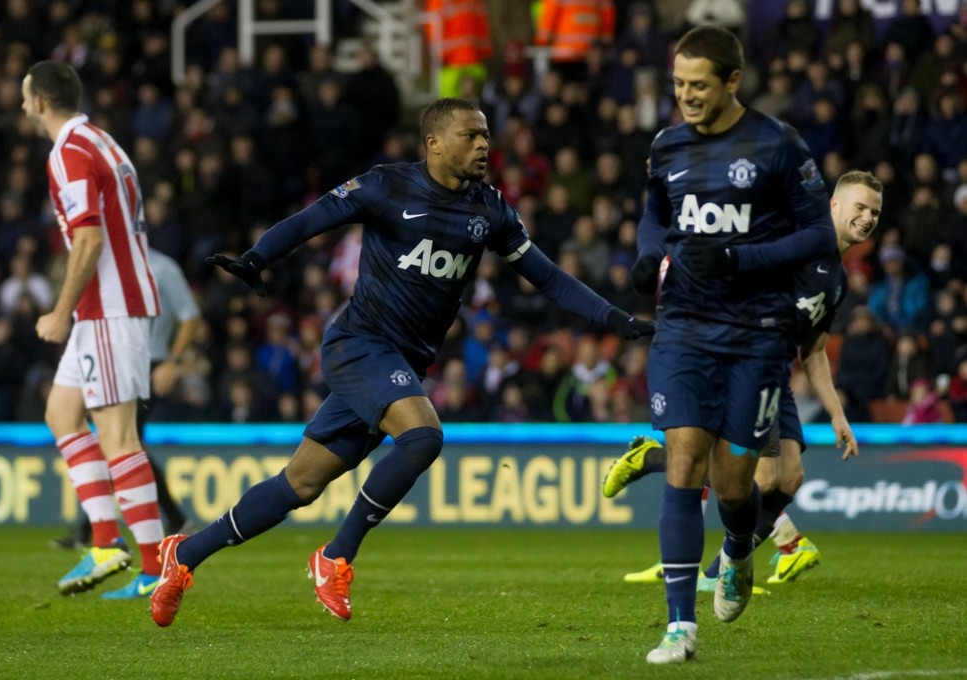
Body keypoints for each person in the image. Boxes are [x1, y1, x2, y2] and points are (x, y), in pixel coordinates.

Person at [148, 97, 654, 627]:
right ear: (434, 143)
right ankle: (336, 555)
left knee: (299, 484)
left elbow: (548, 277)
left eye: (486, 135)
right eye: (470, 135)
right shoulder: (387, 186)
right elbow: (311, 220)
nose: (483, 145)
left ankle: (183, 557)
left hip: (402, 364)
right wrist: (257, 259)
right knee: (423, 436)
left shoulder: (491, 210)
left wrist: (616, 319)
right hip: (359, 343)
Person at [623, 26, 836, 664]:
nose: (685, 96)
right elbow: (655, 214)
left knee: (733, 477)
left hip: (757, 334)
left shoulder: (777, 146)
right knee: (684, 461)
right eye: (678, 84)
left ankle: (740, 547)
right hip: (683, 323)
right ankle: (679, 628)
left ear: (733, 82)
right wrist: (646, 254)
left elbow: (819, 236)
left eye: (698, 85)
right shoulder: (666, 146)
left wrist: (741, 257)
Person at [606, 170, 881, 587]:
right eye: (860, 207)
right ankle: (719, 563)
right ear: (834, 206)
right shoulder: (794, 244)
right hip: (743, 360)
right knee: (761, 477)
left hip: (774, 373)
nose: (867, 217)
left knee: (788, 480)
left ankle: (717, 569)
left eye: (875, 211)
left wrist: (838, 416)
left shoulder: (837, 281)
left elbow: (814, 351)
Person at [21, 60, 165, 599]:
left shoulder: (69, 152)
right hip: (108, 308)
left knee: (118, 437)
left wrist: (60, 311)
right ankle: (106, 541)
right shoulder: (104, 141)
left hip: (110, 307)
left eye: (23, 98)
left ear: (39, 102)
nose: (20, 107)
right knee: (61, 412)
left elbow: (88, 239)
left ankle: (155, 569)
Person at [51, 245, 200, 550]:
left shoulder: (162, 267)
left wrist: (173, 360)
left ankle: (96, 532)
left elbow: (190, 316)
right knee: (123, 442)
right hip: (116, 358)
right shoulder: (110, 265)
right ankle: (170, 519)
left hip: (150, 363)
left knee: (118, 441)